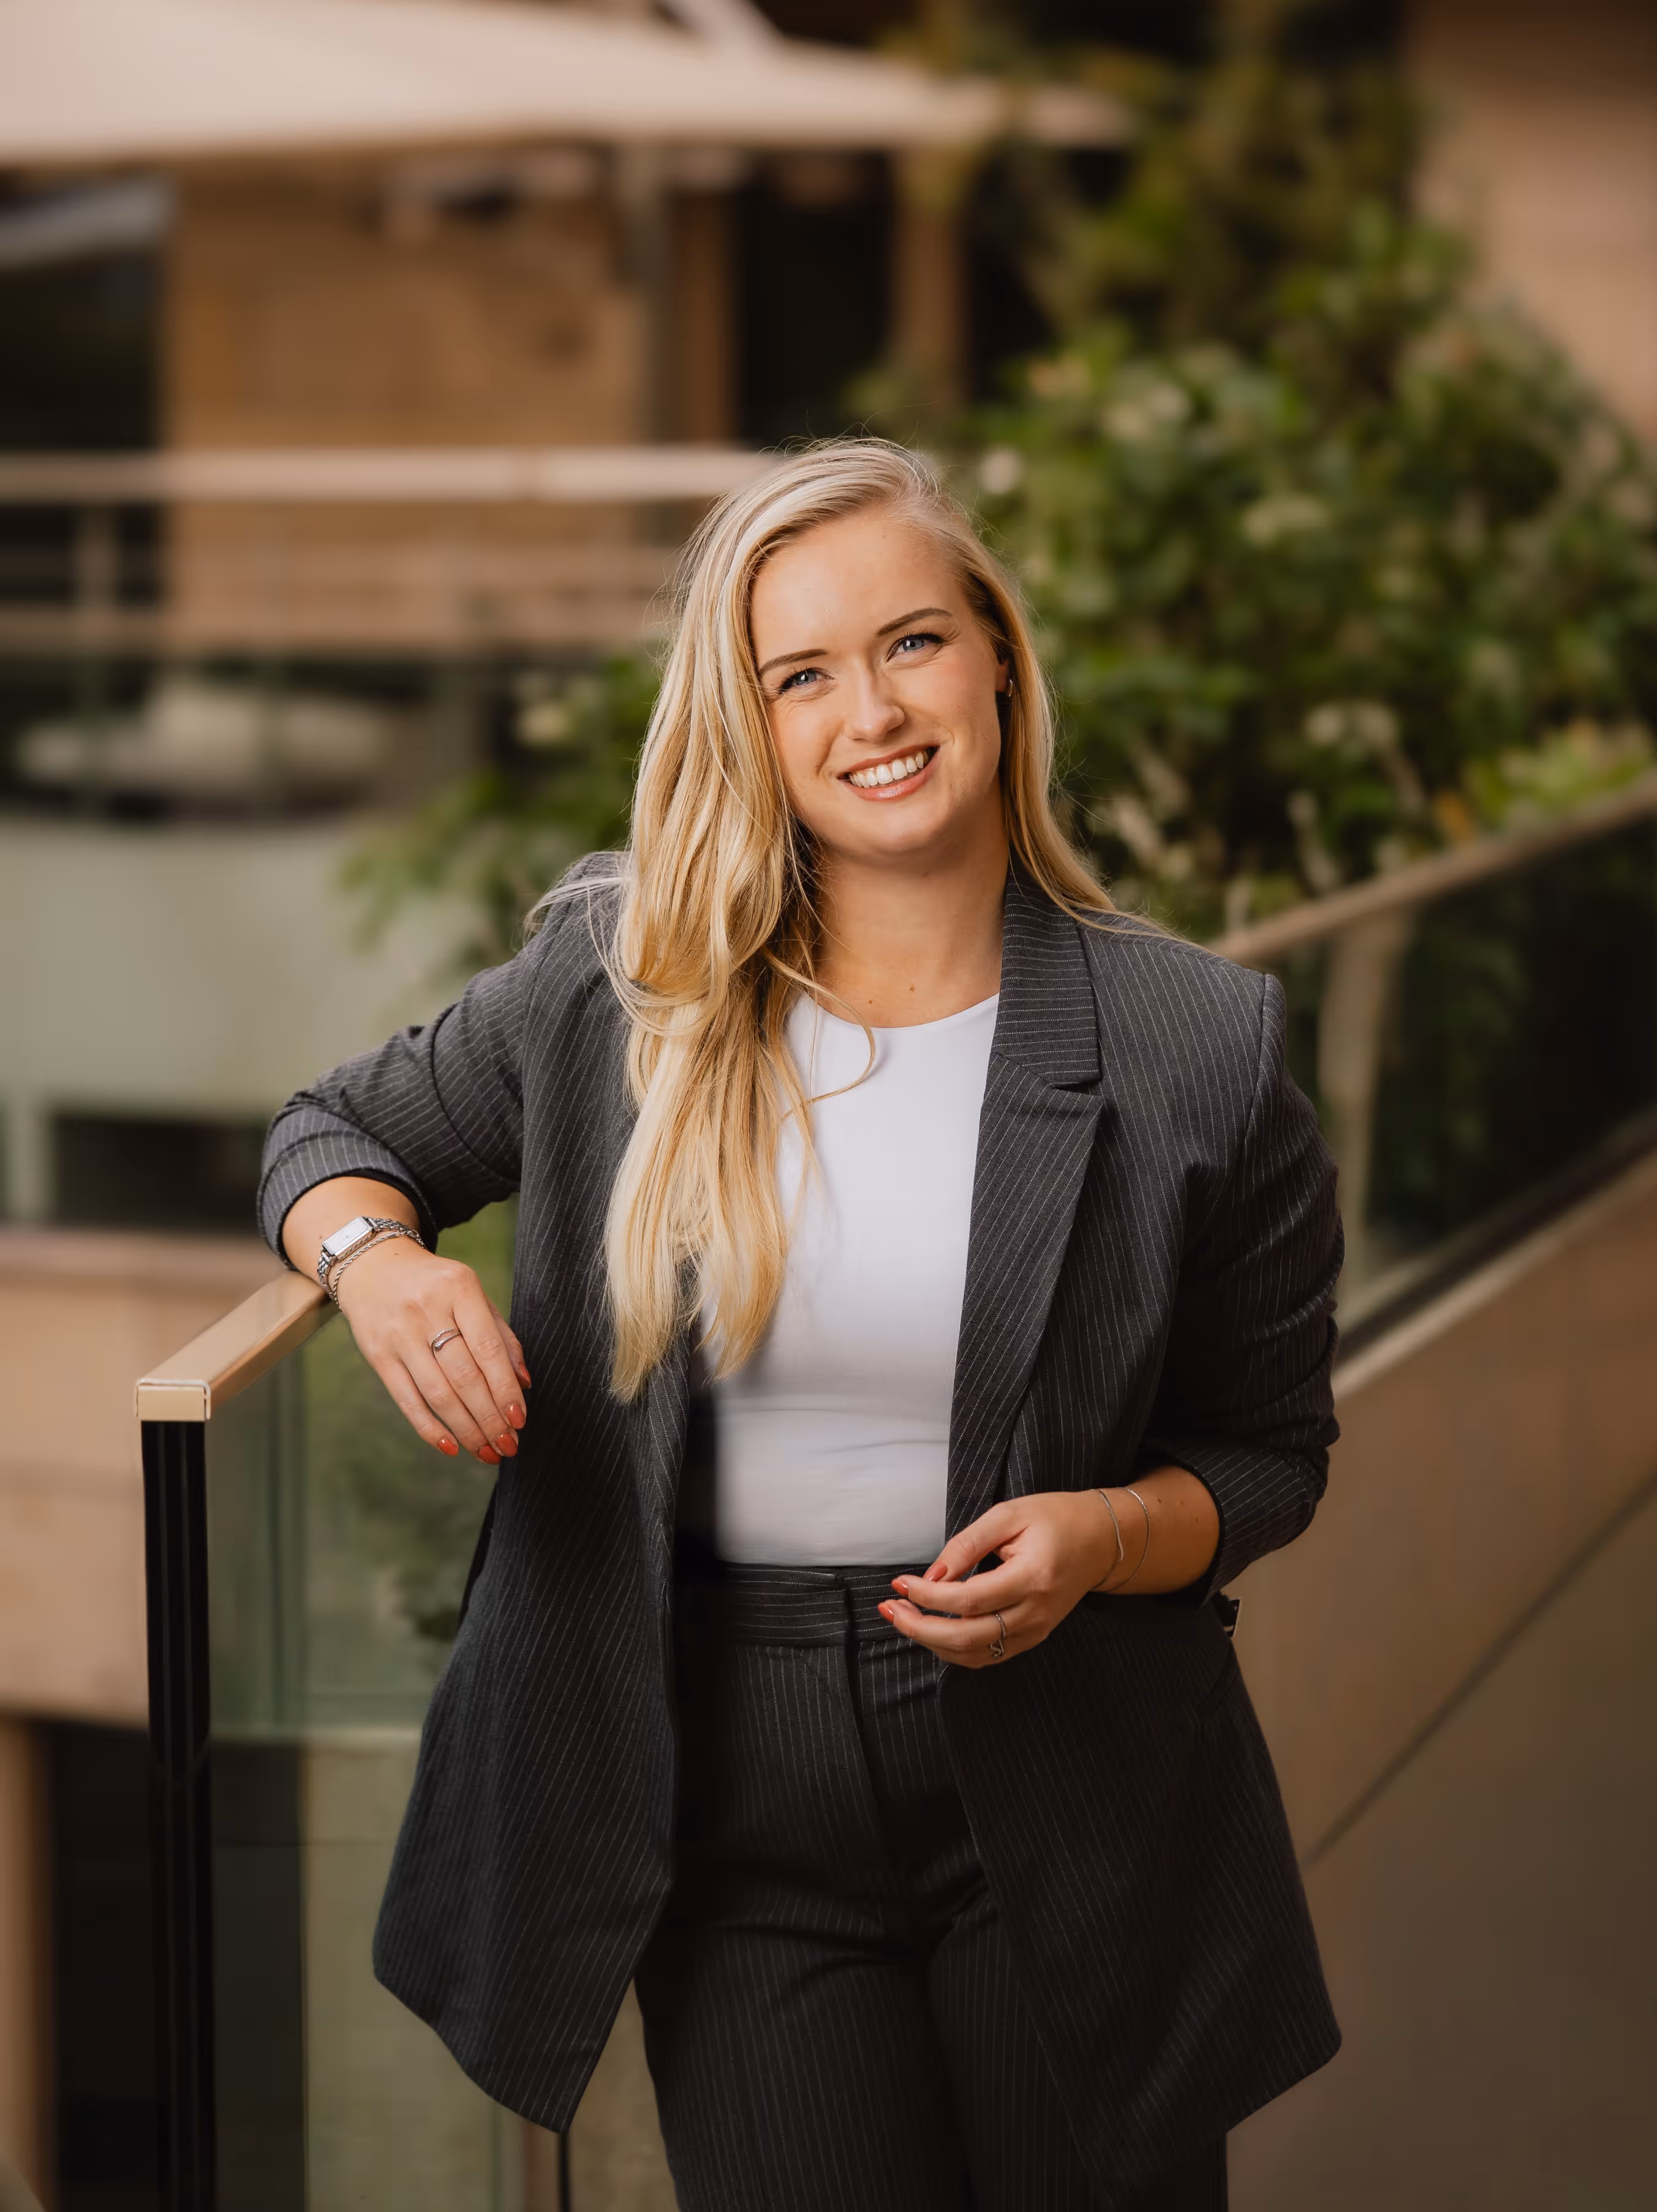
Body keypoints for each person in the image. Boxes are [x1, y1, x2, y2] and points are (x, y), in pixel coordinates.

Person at [262, 439, 1342, 2211]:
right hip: (720, 1787)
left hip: (1067, 1774)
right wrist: (379, 1261)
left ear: (997, 654)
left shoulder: (1195, 1043)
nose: (875, 711)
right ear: (748, 724)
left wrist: (1105, 1534)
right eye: (802, 674)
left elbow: (1269, 1450)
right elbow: (330, 1132)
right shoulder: (621, 986)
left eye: (913, 642)